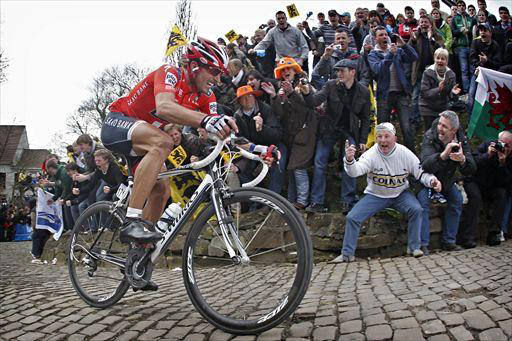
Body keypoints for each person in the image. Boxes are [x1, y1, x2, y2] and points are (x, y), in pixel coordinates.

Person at [100, 37, 237, 248]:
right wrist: (206, 120)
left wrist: (256, 149)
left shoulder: (205, 96)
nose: (217, 79)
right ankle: (132, 221)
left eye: (220, 74)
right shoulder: (170, 72)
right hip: (117, 124)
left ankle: (138, 259)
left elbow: (219, 131)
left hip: (144, 143)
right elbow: (164, 107)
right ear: (193, 66)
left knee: (162, 188)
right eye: (214, 71)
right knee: (164, 142)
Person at [333, 123, 441, 262]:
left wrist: (433, 181)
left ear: (394, 138)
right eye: (379, 137)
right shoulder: (371, 154)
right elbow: (355, 172)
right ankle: (347, 254)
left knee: (417, 209)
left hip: (400, 194)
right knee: (352, 217)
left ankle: (414, 247)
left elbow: (420, 173)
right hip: (375, 195)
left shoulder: (405, 153)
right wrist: (349, 160)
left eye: (386, 136)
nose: (383, 140)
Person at [301, 58, 371, 213]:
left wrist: (362, 140)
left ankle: (348, 201)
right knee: (320, 162)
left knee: (350, 162)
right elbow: (314, 101)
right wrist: (306, 93)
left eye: (342, 71)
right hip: (329, 129)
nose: (339, 73)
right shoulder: (331, 85)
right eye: (337, 70)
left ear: (352, 72)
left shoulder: (363, 91)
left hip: (350, 130)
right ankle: (316, 202)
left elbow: (366, 118)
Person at [417, 111, 476, 254]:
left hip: (446, 180)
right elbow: (425, 164)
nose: (439, 128)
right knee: (422, 203)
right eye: (439, 124)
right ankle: (423, 244)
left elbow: (471, 169)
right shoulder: (430, 136)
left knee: (457, 200)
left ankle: (449, 241)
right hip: (426, 179)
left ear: (453, 130)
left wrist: (462, 160)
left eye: (444, 126)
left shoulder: (461, 140)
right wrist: (443, 155)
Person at [262, 59, 316, 210]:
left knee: (298, 167)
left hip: (306, 133)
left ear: (295, 70)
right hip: (292, 135)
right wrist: (274, 97)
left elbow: (306, 107)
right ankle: (292, 201)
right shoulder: (282, 90)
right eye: (283, 70)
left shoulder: (304, 85)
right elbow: (281, 114)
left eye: (289, 69)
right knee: (292, 168)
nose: (286, 72)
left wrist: (292, 92)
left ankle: (302, 201)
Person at [368, 26, 418, 152]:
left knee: (406, 127)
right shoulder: (373, 54)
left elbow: (414, 57)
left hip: (401, 94)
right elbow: (378, 70)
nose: (384, 37)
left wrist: (404, 45)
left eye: (386, 34)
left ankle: (412, 157)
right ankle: (384, 155)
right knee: (383, 129)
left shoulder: (397, 50)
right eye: (381, 35)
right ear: (375, 38)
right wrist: (390, 54)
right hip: (384, 96)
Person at [460, 131, 512, 247]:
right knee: (476, 198)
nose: (503, 148)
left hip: (492, 185)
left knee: (502, 194)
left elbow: (506, 183)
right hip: (474, 180)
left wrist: (502, 163)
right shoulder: (487, 145)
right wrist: (487, 155)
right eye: (501, 144)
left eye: (507, 146)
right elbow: (472, 164)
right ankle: (468, 237)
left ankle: (494, 234)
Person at [409, 15, 444, 131]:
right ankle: (415, 122)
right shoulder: (416, 36)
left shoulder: (436, 35)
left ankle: (435, 123)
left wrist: (431, 39)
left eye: (426, 22)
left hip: (433, 73)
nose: (423, 24)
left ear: (430, 24)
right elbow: (408, 51)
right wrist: (413, 41)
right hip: (418, 72)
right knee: (415, 98)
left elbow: (441, 51)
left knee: (434, 98)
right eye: (421, 22)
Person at [419, 48, 461, 131]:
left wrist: (454, 93)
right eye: (438, 58)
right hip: (427, 106)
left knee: (441, 131)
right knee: (430, 132)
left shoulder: (451, 75)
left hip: (442, 107)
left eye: (443, 59)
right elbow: (424, 93)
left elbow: (453, 98)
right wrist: (438, 89)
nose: (440, 61)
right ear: (434, 59)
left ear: (447, 61)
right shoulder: (427, 72)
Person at [468, 22, 502, 114]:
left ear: (490, 33)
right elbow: (471, 58)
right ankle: (470, 122)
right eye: (481, 30)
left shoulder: (495, 45)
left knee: (488, 102)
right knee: (471, 98)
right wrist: (480, 63)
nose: (482, 32)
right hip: (477, 74)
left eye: (485, 30)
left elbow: (498, 63)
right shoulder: (475, 42)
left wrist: (487, 61)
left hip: (489, 78)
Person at [451, 0, 475, 94]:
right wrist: (460, 30)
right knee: (464, 70)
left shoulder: (470, 18)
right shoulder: (455, 18)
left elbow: (474, 31)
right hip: (461, 48)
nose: (461, 7)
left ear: (465, 7)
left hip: (472, 47)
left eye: (463, 5)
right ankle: (467, 92)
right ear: (457, 7)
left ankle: (473, 92)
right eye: (459, 5)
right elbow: (452, 32)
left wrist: (469, 32)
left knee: (472, 70)